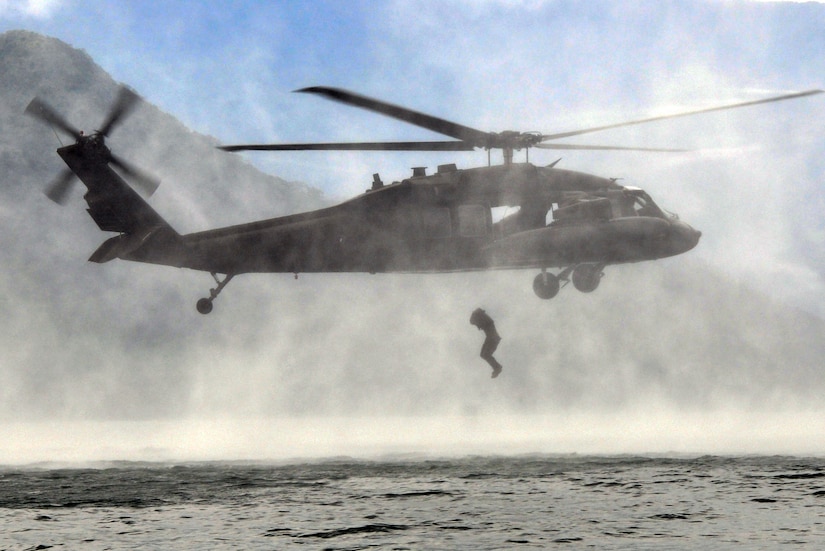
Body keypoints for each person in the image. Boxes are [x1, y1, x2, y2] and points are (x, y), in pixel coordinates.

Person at [470, 308, 503, 378]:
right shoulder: (485, 321)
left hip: (493, 339)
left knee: (485, 354)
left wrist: (477, 319)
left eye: (476, 324)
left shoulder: (487, 321)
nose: (477, 327)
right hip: (490, 338)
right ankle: (497, 367)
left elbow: (489, 322)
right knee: (483, 354)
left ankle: (497, 367)